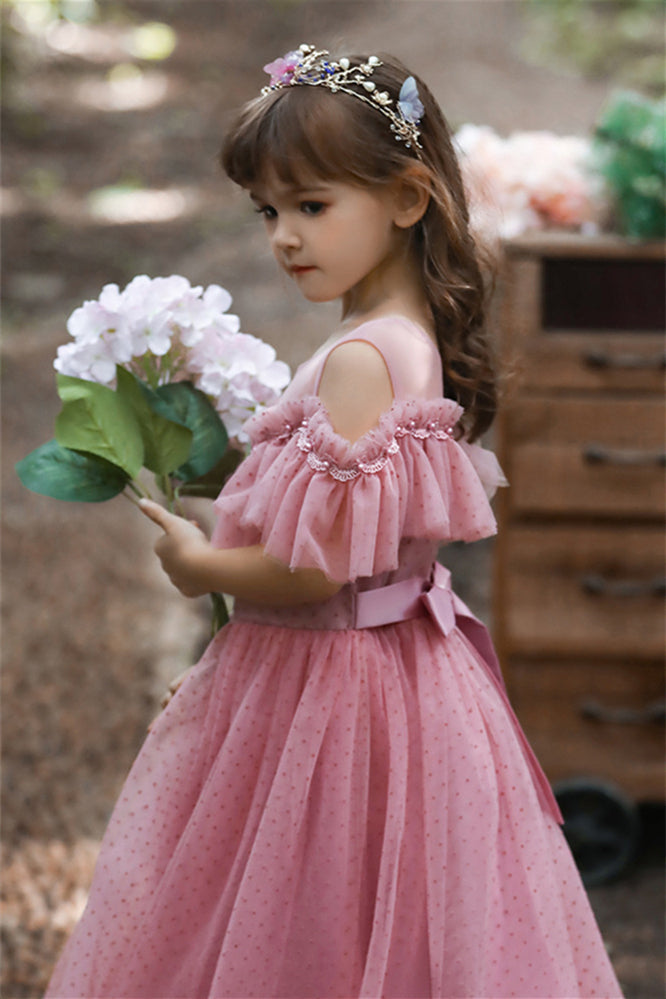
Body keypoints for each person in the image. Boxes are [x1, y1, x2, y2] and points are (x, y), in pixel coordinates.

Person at [46, 44, 623, 999]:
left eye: (313, 207)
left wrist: (204, 568)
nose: (284, 235)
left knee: (305, 908)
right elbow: (351, 531)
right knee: (354, 917)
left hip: (336, 685)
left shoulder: (367, 357)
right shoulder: (394, 341)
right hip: (382, 674)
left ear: (406, 198)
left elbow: (319, 571)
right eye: (270, 211)